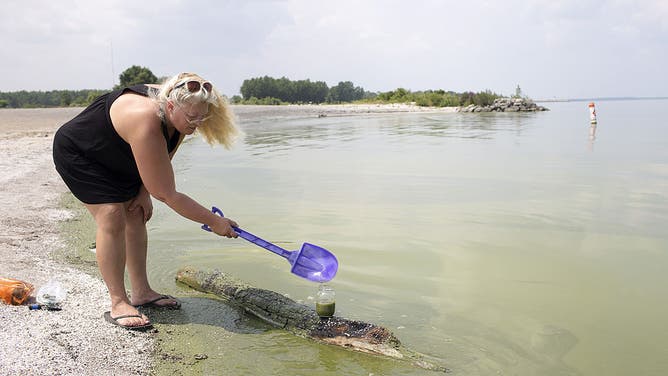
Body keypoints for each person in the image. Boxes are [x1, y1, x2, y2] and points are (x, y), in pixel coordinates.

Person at [53, 72, 240, 330]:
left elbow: (164, 155)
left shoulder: (180, 113)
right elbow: (168, 194)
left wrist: (143, 190)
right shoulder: (146, 118)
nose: (197, 123)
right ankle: (118, 301)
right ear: (171, 106)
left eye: (203, 116)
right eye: (192, 117)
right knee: (111, 215)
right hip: (82, 153)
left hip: (121, 151)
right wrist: (214, 221)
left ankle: (141, 292)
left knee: (136, 212)